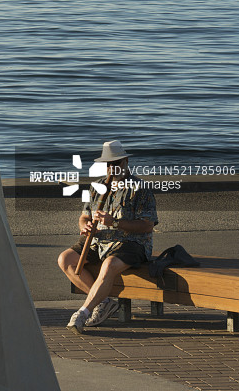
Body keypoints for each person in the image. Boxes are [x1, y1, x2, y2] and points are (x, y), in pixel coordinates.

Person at [58, 139, 158, 334]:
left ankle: (84, 312)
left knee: (109, 265)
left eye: (116, 163)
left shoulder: (140, 189)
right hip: (99, 240)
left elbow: (147, 225)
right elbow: (84, 216)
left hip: (131, 242)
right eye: (108, 164)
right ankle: (103, 302)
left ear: (126, 161)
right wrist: (85, 226)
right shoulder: (96, 186)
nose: (112, 168)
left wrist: (115, 222)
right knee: (65, 259)